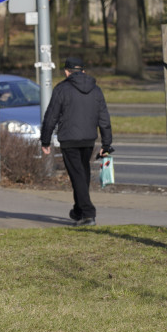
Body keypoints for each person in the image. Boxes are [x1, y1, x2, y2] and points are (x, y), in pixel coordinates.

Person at [40, 56, 113, 227]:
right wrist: (106, 144)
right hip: (88, 139)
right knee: (82, 174)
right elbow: (104, 119)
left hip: (69, 139)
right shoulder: (96, 90)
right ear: (83, 71)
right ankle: (79, 210)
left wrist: (45, 140)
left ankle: (88, 214)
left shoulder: (61, 89)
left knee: (77, 175)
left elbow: (51, 117)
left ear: (67, 72)